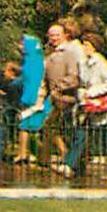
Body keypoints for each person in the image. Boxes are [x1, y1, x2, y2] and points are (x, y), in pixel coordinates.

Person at [56, 32, 107, 181]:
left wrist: (93, 92)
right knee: (80, 135)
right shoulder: (82, 63)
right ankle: (69, 165)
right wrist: (83, 96)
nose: (84, 47)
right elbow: (83, 83)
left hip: (106, 108)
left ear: (94, 47)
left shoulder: (100, 62)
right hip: (88, 106)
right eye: (83, 44)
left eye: (87, 45)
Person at [42, 21, 86, 170]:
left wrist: (58, 87)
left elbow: (75, 77)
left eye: (57, 35)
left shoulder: (70, 53)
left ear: (64, 36)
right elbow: (44, 78)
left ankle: (67, 160)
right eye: (51, 35)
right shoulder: (50, 54)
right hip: (56, 99)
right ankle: (65, 158)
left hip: (69, 99)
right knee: (52, 128)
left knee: (60, 129)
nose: (53, 38)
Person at [13, 34, 50, 164]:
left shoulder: (32, 62)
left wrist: (29, 99)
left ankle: (25, 154)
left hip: (35, 101)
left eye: (23, 44)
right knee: (32, 128)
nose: (20, 46)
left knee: (27, 127)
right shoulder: (36, 59)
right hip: (37, 99)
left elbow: (32, 82)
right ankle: (30, 154)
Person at [0, 59, 23, 164]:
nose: (4, 73)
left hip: (11, 109)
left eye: (6, 71)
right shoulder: (19, 82)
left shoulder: (13, 85)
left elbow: (9, 95)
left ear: (12, 72)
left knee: (3, 129)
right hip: (16, 109)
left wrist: (3, 94)